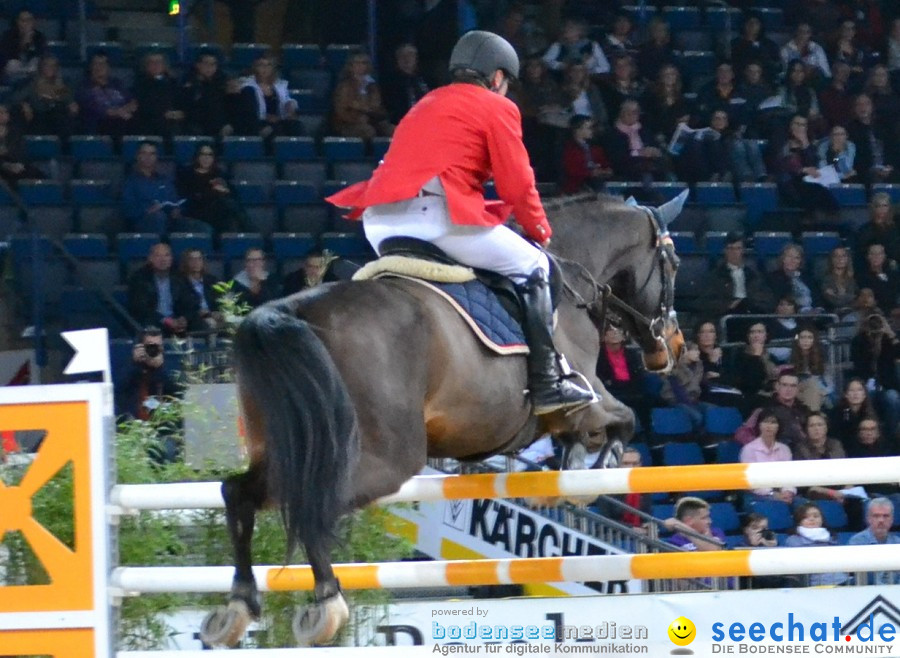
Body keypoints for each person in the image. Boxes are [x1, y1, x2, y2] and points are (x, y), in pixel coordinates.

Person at [325, 30, 595, 415]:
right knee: (535, 266)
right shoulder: (496, 106)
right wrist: (539, 231)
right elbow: (517, 184)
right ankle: (547, 383)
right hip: (435, 219)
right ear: (498, 77)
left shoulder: (425, 102)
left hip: (381, 221)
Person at [126, 243, 200, 337]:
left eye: (166, 255)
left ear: (171, 259)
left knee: (200, 324)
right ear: (150, 258)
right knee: (151, 328)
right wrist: (166, 320)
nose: (163, 259)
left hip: (176, 319)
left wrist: (184, 318)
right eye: (158, 255)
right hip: (153, 320)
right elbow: (140, 308)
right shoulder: (139, 278)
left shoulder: (179, 275)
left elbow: (192, 301)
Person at [849, 311, 900, 437]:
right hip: (865, 383)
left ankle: (891, 434)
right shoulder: (858, 340)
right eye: (871, 322)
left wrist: (889, 333)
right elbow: (858, 362)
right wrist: (868, 339)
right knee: (867, 396)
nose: (874, 325)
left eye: (877, 321)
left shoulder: (888, 340)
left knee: (892, 398)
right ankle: (867, 432)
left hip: (887, 385)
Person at [175, 144, 244, 235]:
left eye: (210, 155)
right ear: (197, 156)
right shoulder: (186, 173)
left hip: (217, 213)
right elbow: (188, 198)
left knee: (229, 213)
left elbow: (234, 195)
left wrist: (226, 191)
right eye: (203, 154)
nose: (206, 158)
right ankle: (252, 233)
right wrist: (214, 192)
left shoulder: (219, 174)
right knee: (227, 206)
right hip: (195, 212)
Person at [121, 141, 187, 234]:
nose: (148, 157)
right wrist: (147, 210)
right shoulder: (130, 181)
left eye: (152, 154)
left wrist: (177, 210)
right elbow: (127, 209)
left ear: (156, 157)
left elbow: (175, 200)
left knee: (199, 227)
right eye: (144, 153)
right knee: (158, 217)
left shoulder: (165, 180)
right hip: (143, 222)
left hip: (169, 220)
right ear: (137, 156)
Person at [235, 55, 304, 140]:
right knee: (274, 131)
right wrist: (266, 117)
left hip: (279, 120)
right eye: (261, 65)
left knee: (296, 126)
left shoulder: (280, 84)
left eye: (268, 65)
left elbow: (287, 99)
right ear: (255, 68)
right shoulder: (247, 85)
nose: (265, 68)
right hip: (259, 121)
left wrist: (291, 104)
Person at [330, 51, 394, 140]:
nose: (360, 66)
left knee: (393, 130)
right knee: (367, 131)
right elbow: (341, 110)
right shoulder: (345, 86)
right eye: (357, 63)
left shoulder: (372, 85)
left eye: (363, 63)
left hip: (372, 120)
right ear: (351, 66)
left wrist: (362, 107)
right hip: (348, 124)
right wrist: (357, 118)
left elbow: (376, 105)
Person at [706, 232, 773, 317]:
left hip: (752, 312)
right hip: (727, 313)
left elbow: (767, 299)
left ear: (743, 250)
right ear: (725, 251)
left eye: (737, 248)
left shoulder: (754, 275)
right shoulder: (716, 275)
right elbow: (707, 301)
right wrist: (729, 305)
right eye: (730, 248)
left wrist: (751, 303)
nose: (734, 252)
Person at [784, 503, 850, 586]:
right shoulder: (793, 540)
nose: (812, 519)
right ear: (799, 521)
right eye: (805, 517)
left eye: (816, 516)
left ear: (822, 519)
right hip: (811, 584)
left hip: (840, 580)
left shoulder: (831, 536)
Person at [15, 54, 78, 139]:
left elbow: (69, 100)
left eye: (53, 65)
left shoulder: (63, 85)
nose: (50, 68)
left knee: (61, 115)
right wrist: (24, 104)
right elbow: (14, 99)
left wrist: (72, 105)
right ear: (40, 67)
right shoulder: (32, 85)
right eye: (47, 65)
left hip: (58, 121)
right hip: (37, 119)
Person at [596, 325, 647, 428]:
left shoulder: (633, 354)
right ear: (604, 337)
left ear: (624, 337)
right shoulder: (598, 356)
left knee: (644, 400)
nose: (615, 333)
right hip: (610, 391)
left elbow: (639, 376)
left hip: (631, 389)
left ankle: (648, 432)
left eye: (618, 330)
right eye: (611, 330)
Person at [740, 409, 796, 502]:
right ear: (759, 425)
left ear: (778, 426)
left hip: (782, 492)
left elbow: (789, 476)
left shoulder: (784, 449)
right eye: (765, 422)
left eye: (773, 422)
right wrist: (772, 494)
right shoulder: (749, 449)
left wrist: (788, 492)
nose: (769, 426)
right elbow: (750, 481)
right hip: (758, 494)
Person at [77, 52, 137, 137]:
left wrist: (124, 110)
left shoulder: (117, 83)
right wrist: (117, 112)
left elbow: (132, 102)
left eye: (102, 64)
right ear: (91, 67)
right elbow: (91, 108)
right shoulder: (84, 86)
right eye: (95, 64)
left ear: (108, 67)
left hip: (123, 121)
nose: (99, 67)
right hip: (99, 124)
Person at [591, 447, 652, 530]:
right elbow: (605, 520)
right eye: (626, 463)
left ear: (640, 465)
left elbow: (647, 516)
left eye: (635, 463)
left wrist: (648, 526)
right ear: (617, 465)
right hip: (612, 536)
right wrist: (631, 529)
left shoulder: (644, 488)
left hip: (640, 535)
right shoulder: (606, 488)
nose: (631, 467)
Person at [181, 51, 233, 138]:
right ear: (198, 65)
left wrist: (228, 123)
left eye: (213, 64)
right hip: (197, 125)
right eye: (206, 64)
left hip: (220, 126)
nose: (210, 67)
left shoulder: (223, 82)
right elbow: (187, 108)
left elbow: (229, 106)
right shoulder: (188, 82)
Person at [132, 51, 184, 140]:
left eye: (159, 62)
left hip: (172, 121)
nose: (156, 65)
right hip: (148, 122)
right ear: (146, 66)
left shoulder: (173, 83)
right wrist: (164, 113)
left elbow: (181, 102)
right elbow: (142, 105)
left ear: (164, 65)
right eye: (152, 62)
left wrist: (180, 113)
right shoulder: (140, 84)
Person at [848, 498, 900, 585]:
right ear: (868, 519)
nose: (881, 520)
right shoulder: (857, 542)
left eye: (886, 516)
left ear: (892, 519)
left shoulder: (897, 543)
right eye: (876, 516)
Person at [730, 321, 779, 412]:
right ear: (748, 336)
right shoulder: (738, 356)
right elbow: (750, 384)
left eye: (760, 332)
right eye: (752, 332)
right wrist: (755, 357)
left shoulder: (772, 358)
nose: (756, 335)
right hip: (751, 397)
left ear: (766, 335)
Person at [542, 18, 610, 79]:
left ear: (580, 31)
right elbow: (545, 61)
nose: (566, 29)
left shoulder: (592, 45)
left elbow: (605, 67)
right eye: (566, 27)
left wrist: (585, 70)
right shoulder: (558, 45)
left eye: (570, 27)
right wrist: (563, 65)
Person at [560, 114, 612, 194]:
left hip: (596, 183)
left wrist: (605, 170)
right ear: (577, 130)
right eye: (589, 128)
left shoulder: (596, 148)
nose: (592, 131)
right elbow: (572, 170)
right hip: (576, 187)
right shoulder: (568, 148)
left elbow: (604, 164)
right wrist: (590, 173)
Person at [381, 43, 430, 125]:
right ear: (397, 59)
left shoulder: (426, 79)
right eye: (402, 56)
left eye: (410, 55)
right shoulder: (390, 82)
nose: (407, 59)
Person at [0, 103, 44, 187]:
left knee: (34, 174)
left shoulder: (15, 133)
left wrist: (12, 162)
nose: (1, 115)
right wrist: (5, 165)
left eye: (3, 112)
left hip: (15, 165)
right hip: (2, 167)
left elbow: (19, 152)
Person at [179, 249, 223, 332]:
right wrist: (203, 313)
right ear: (186, 262)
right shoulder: (180, 282)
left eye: (199, 259)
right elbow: (182, 307)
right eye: (192, 259)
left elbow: (220, 301)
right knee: (209, 324)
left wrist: (218, 312)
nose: (196, 262)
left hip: (213, 316)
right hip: (193, 319)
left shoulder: (212, 280)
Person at [790, 326, 832, 411]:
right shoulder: (790, 357)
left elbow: (828, 381)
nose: (806, 341)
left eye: (809, 337)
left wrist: (822, 390)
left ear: (814, 340)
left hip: (819, 390)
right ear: (797, 340)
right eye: (802, 337)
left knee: (813, 388)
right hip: (796, 389)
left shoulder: (822, 357)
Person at [767, 243, 818, 313]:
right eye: (789, 256)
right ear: (783, 259)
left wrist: (819, 309)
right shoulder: (773, 277)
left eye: (797, 258)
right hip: (792, 314)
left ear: (800, 261)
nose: (792, 260)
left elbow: (817, 297)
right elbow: (780, 298)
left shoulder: (807, 276)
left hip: (813, 314)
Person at [0, 10, 45, 87]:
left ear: (34, 22)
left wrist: (30, 42)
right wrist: (24, 42)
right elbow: (6, 56)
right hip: (12, 70)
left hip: (31, 69)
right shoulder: (8, 35)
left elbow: (41, 55)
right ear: (18, 22)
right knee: (13, 63)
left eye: (29, 20)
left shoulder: (39, 36)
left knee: (36, 62)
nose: (26, 23)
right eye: (23, 20)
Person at [731, 15, 781, 84]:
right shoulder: (735, 44)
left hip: (766, 82)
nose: (752, 25)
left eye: (756, 23)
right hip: (740, 82)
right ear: (744, 25)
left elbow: (775, 65)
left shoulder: (770, 45)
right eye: (749, 22)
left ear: (761, 26)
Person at [830, 378, 879, 448]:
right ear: (845, 394)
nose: (856, 394)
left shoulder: (871, 413)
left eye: (859, 390)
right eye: (851, 390)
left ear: (864, 394)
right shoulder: (836, 413)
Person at [856, 193, 900, 266]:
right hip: (880, 265)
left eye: (885, 206)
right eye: (878, 206)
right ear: (873, 208)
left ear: (890, 207)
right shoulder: (866, 230)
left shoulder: (897, 224)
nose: (882, 209)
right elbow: (865, 253)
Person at [856, 243, 900, 314]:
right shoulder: (862, 276)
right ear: (868, 256)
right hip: (876, 312)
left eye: (879, 254)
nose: (876, 256)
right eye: (872, 254)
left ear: (884, 256)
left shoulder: (893, 274)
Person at [821, 246, 858, 315]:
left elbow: (856, 297)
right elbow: (836, 302)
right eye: (836, 256)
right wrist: (850, 297)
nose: (840, 259)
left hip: (855, 311)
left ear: (848, 258)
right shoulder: (826, 279)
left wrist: (837, 295)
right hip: (835, 313)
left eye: (843, 256)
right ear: (831, 259)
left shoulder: (854, 278)